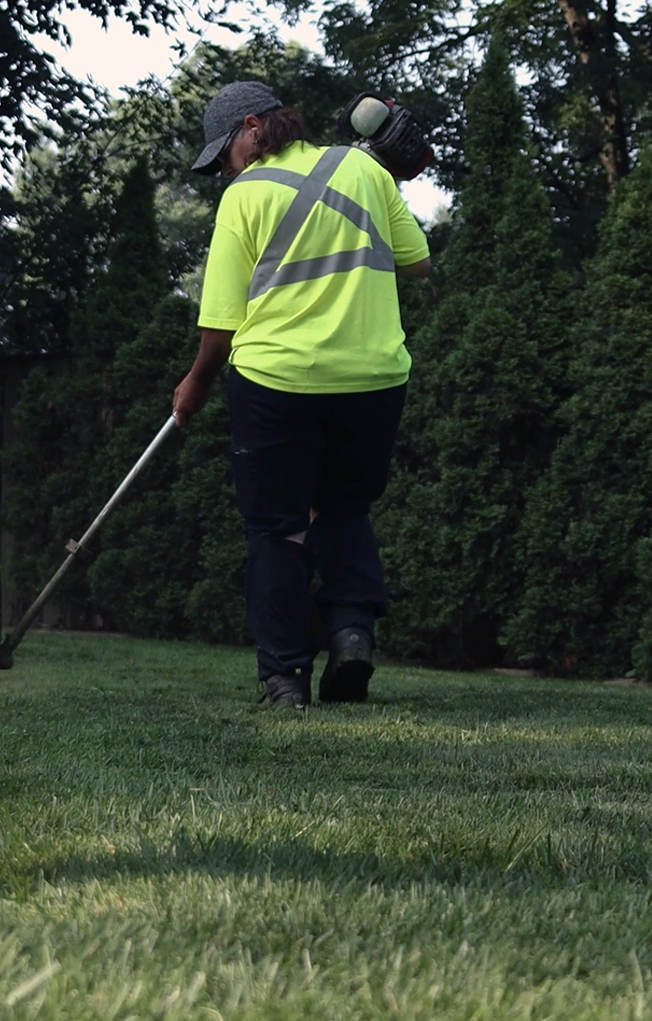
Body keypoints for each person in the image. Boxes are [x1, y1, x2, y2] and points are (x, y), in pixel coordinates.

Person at [171, 81, 432, 708]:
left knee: (277, 529)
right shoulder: (362, 168)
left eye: (225, 151)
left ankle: (286, 678)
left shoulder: (244, 196)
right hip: (372, 380)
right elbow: (418, 262)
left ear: (253, 127)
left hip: (277, 382)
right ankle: (349, 636)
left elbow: (221, 323)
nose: (224, 167)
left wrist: (195, 384)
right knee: (344, 510)